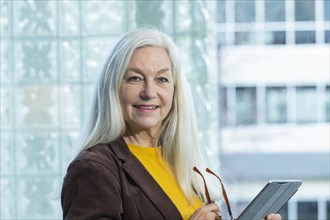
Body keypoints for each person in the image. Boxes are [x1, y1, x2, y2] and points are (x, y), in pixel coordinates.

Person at [61, 28, 281, 220]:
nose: (149, 92)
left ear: (175, 91)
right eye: (135, 78)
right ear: (113, 88)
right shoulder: (93, 169)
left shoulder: (184, 163)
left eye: (162, 79)